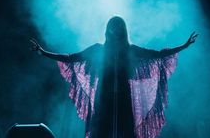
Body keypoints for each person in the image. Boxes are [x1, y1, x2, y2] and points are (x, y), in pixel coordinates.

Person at [30, 16, 198, 138]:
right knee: (101, 132)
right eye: (113, 26)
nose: (116, 30)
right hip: (104, 99)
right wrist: (43, 52)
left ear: (123, 30)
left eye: (119, 27)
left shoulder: (130, 50)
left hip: (124, 99)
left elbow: (158, 54)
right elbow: (71, 57)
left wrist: (183, 46)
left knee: (125, 131)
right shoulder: (98, 49)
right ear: (108, 30)